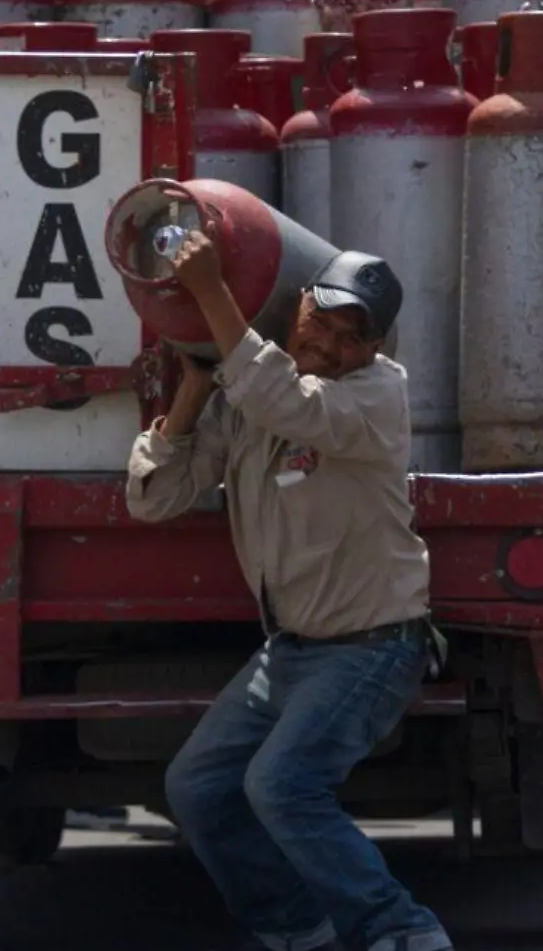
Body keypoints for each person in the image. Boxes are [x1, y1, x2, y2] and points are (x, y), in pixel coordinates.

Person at [125, 232, 452, 951]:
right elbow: (155, 498)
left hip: (373, 646)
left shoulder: (376, 395)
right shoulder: (251, 398)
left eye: (350, 337)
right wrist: (192, 389)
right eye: (322, 322)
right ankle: (295, 928)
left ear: (374, 349)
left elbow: (288, 403)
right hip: (293, 651)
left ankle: (401, 930)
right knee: (198, 788)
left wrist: (210, 293)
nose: (331, 345)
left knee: (282, 786)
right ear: (297, 304)